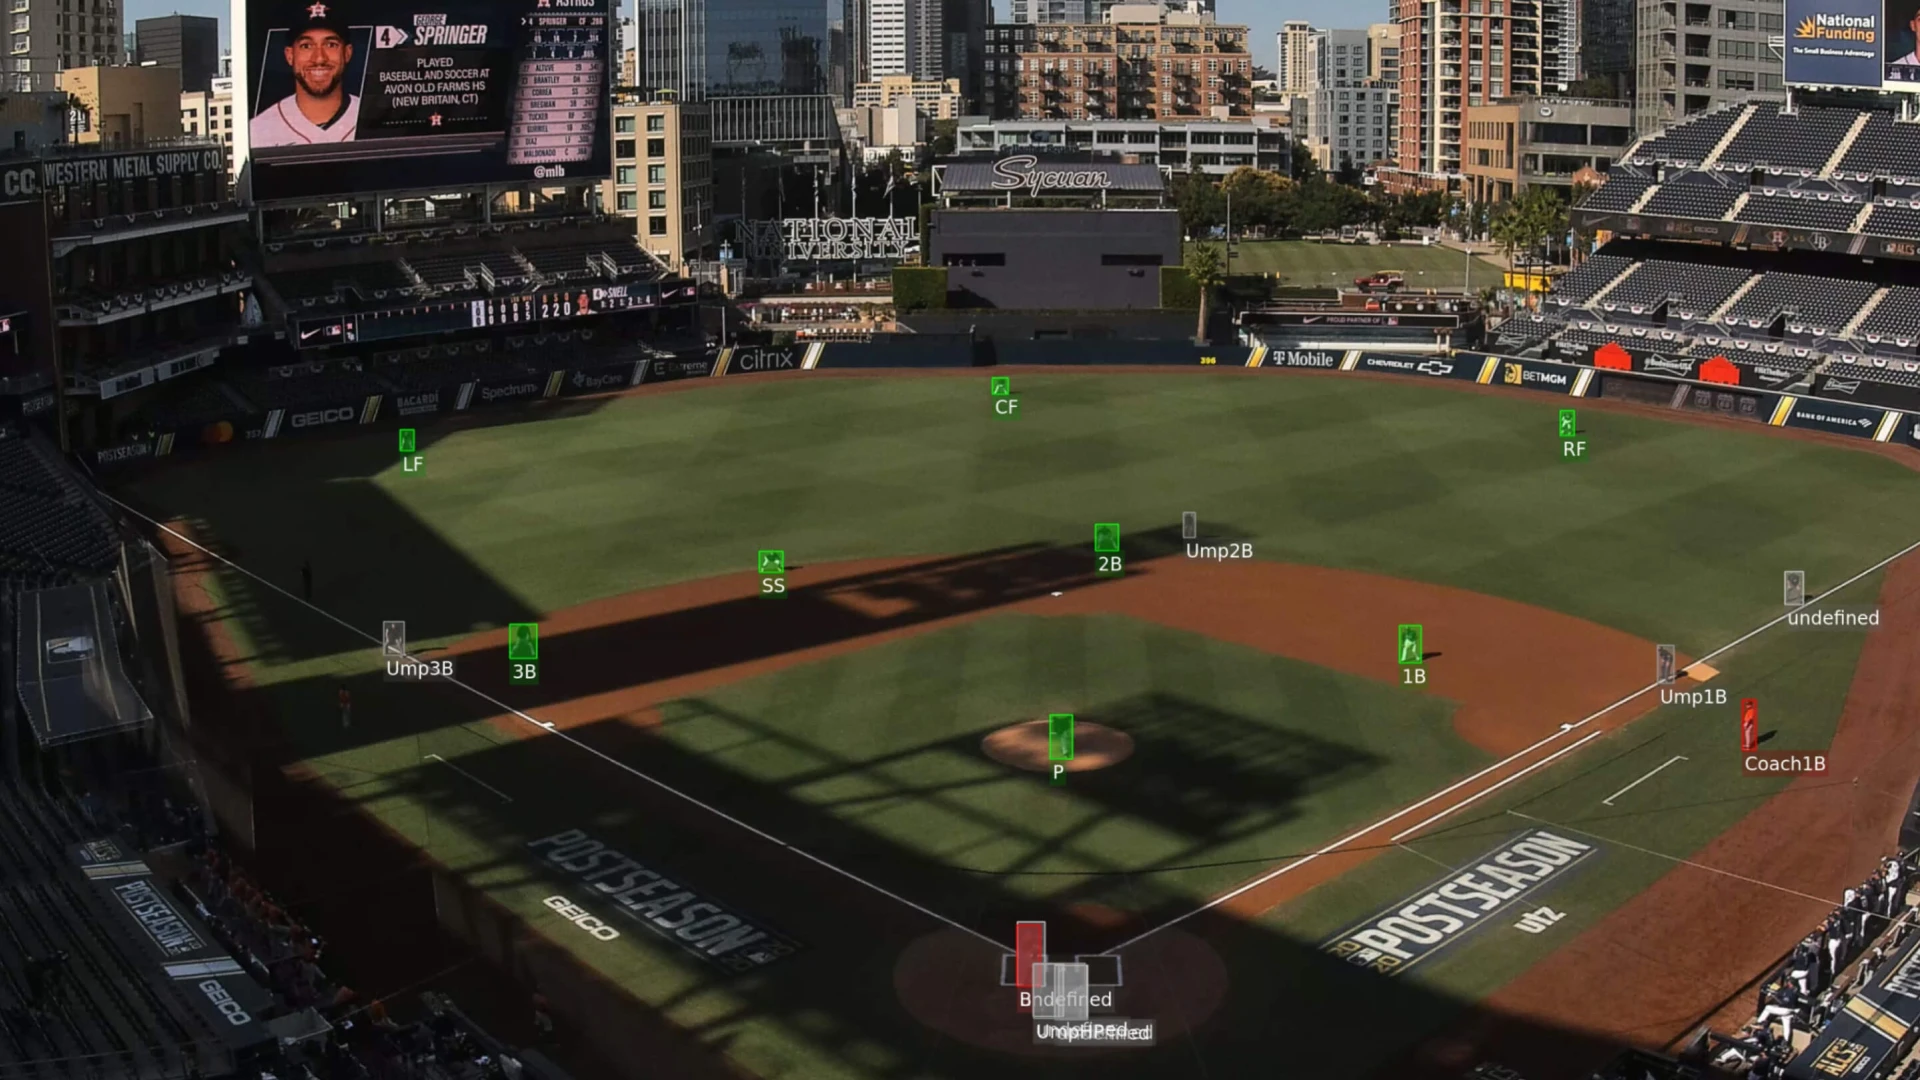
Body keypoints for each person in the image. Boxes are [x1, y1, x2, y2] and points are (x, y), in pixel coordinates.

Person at [252, 2, 360, 147]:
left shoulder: (373, 119)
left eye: (331, 45)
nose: (319, 58)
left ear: (347, 53)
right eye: (306, 46)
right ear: (289, 55)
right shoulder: (259, 130)